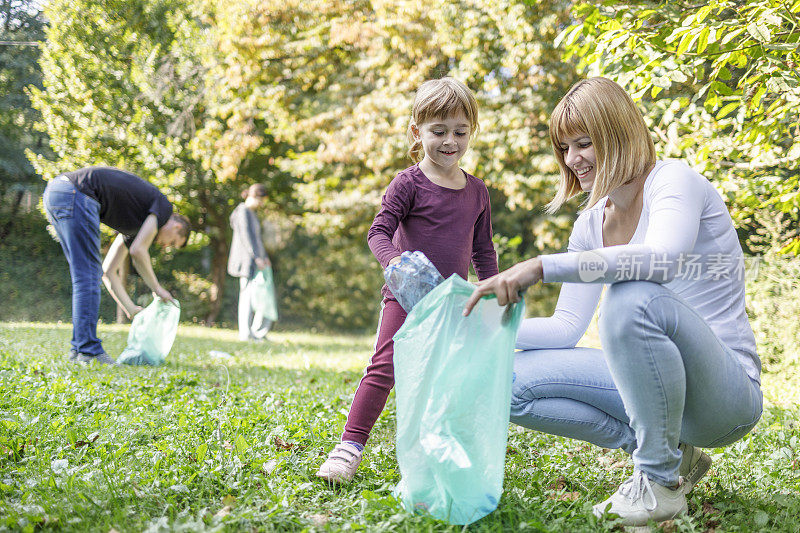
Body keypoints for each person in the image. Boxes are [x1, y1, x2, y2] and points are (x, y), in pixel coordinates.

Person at [464, 77, 762, 526]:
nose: (572, 159)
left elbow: (658, 261)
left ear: (619, 134)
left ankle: (657, 482)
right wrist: (476, 322)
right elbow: (565, 327)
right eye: (564, 148)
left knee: (632, 294)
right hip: (661, 395)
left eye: (584, 143)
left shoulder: (673, 181)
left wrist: (542, 266)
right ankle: (671, 458)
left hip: (725, 398)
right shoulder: (590, 225)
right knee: (501, 378)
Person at [316, 77, 499, 484]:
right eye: (438, 131)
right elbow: (378, 232)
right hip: (406, 297)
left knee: (446, 377)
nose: (449, 141)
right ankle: (349, 447)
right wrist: (395, 262)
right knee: (384, 369)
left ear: (472, 132)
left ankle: (437, 450)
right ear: (417, 132)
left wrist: (493, 290)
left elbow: (483, 250)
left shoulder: (477, 191)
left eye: (460, 132)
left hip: (453, 303)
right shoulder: (408, 183)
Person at [43, 166, 190, 365]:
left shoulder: (135, 225)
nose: (165, 246)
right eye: (172, 242)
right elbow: (138, 251)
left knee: (86, 276)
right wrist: (158, 289)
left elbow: (108, 272)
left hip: (57, 193)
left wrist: (130, 308)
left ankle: (79, 351)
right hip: (75, 193)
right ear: (177, 227)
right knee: (86, 276)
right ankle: (88, 351)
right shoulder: (164, 208)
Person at [228, 183, 272, 342]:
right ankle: (245, 333)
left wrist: (264, 255)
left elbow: (257, 239)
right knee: (246, 296)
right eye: (260, 201)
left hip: (256, 261)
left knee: (255, 297)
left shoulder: (253, 213)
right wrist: (256, 257)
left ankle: (254, 332)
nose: (261, 204)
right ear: (253, 196)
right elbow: (246, 237)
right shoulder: (242, 212)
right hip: (246, 262)